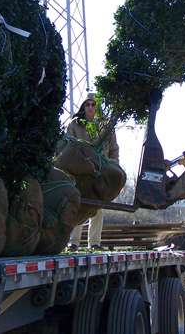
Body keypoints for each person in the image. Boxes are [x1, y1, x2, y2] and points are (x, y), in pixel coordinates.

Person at [66, 92, 119, 251]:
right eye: (87, 104)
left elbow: (114, 150)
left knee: (97, 209)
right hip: (79, 173)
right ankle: (73, 242)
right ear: (83, 106)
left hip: (101, 173)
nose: (90, 107)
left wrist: (115, 172)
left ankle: (94, 243)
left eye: (93, 104)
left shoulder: (106, 126)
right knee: (78, 205)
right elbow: (66, 147)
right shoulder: (74, 125)